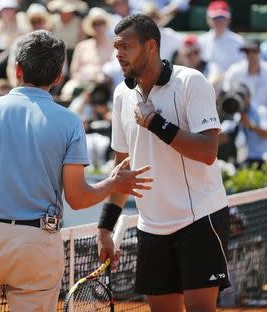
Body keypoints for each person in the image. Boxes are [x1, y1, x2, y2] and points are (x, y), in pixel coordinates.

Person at [0, 30, 153, 311]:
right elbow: (77, 198)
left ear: (17, 70)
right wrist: (112, 183)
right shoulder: (69, 122)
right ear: (58, 77)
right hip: (38, 243)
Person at [97, 14, 230, 312]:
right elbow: (122, 167)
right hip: (151, 226)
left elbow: (208, 151)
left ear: (151, 47)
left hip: (198, 219)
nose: (118, 54)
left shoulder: (191, 82)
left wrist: (156, 123)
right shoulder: (121, 94)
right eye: (116, 47)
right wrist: (105, 227)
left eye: (126, 47)